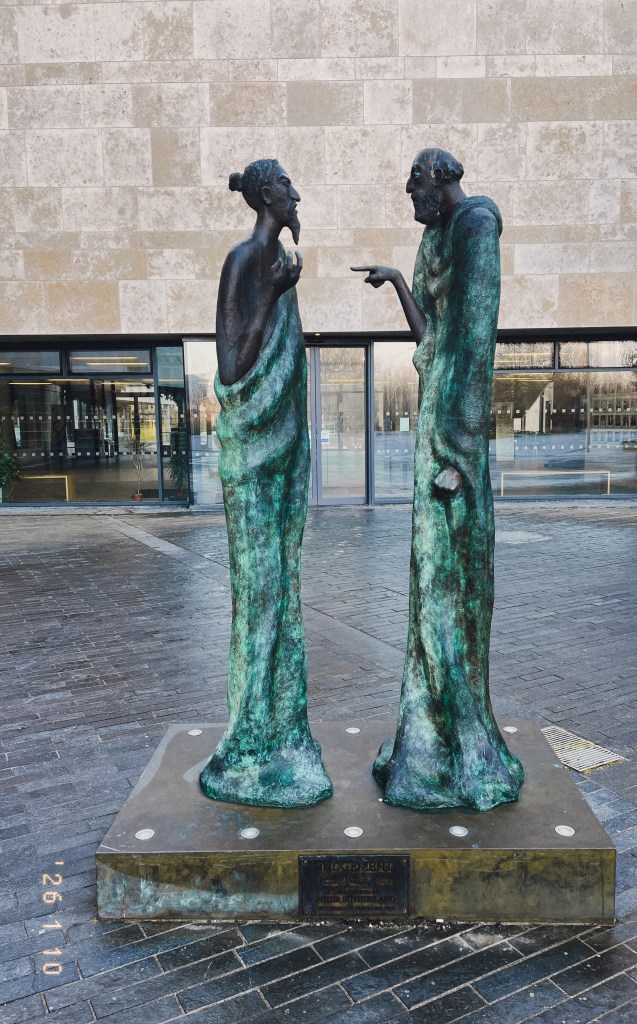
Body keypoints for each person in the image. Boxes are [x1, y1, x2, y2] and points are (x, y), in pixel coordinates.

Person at [352, 148, 524, 811]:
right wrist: (400, 281)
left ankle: (462, 745)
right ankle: (426, 737)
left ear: (437, 180)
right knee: (429, 584)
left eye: (413, 192)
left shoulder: (476, 225)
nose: (412, 205)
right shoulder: (435, 238)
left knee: (450, 583)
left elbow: (475, 342)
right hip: (434, 421)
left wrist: (460, 454)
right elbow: (431, 339)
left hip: (457, 440)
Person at [199, 159, 332, 808]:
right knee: (259, 597)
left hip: (281, 454)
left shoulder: (278, 264)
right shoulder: (246, 260)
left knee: (283, 595)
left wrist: (282, 291)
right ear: (262, 196)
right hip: (251, 459)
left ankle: (282, 731)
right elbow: (230, 367)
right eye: (284, 186)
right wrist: (273, 296)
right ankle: (246, 742)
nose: (295, 194)